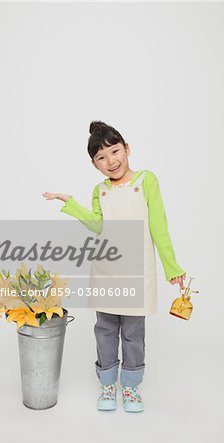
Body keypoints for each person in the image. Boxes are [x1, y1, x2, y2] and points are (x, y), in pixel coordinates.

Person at [42, 120, 186, 413]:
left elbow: (159, 226)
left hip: (138, 272)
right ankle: (108, 383)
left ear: (127, 149)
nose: (111, 161)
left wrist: (172, 268)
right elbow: (98, 225)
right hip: (106, 270)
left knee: (133, 332)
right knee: (105, 329)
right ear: (95, 165)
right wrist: (70, 203)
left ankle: (131, 387)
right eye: (101, 158)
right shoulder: (100, 191)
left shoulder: (146, 181)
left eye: (115, 151)